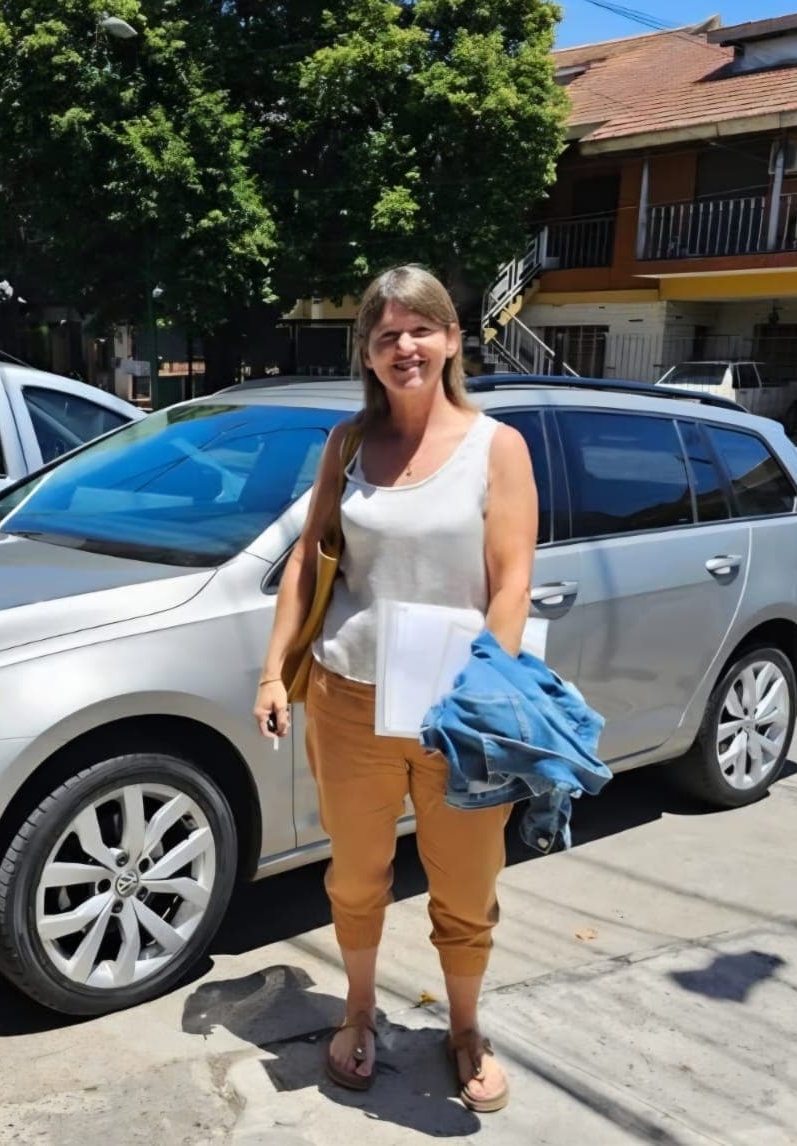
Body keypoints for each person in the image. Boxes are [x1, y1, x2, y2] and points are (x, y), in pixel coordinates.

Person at [253, 264, 538, 1112]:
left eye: (421, 329)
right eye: (386, 335)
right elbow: (309, 559)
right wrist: (275, 669)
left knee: (465, 883)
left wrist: (487, 691)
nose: (404, 346)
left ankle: (463, 1027)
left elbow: (511, 583)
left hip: (459, 716)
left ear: (453, 339)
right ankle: (358, 1010)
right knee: (356, 876)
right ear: (369, 356)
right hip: (350, 700)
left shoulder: (499, 448)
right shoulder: (346, 444)